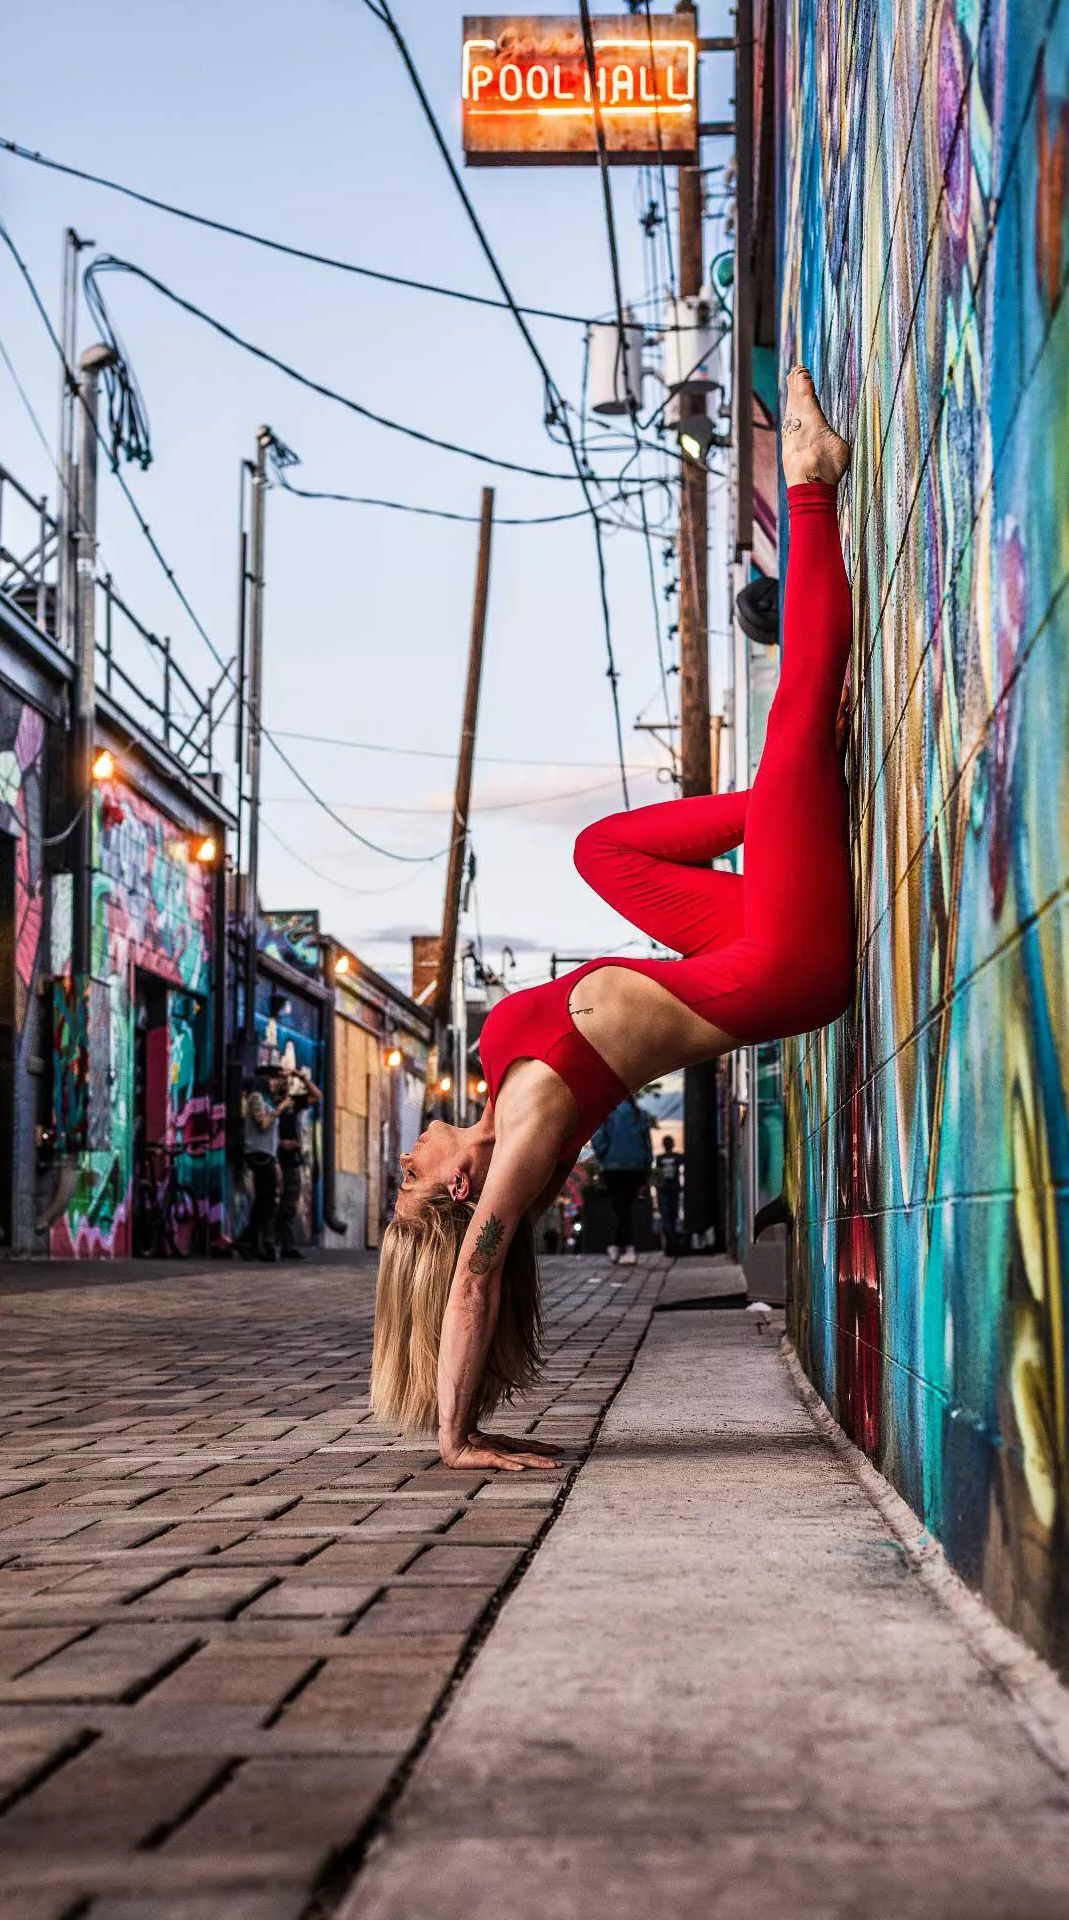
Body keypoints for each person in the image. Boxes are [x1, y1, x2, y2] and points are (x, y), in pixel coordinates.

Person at [372, 369, 854, 1475]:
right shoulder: (525, 1140)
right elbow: (476, 1276)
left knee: (605, 848)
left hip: (730, 947)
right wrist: (457, 1439)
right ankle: (813, 482)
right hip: (781, 962)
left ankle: (798, 787)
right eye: (410, 1179)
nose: (407, 1153)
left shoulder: (502, 1087)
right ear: (456, 1192)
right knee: (794, 709)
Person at [591, 1097, 653, 1266]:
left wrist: (604, 1155)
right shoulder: (640, 1114)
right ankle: (620, 1247)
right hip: (636, 1168)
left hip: (613, 1167)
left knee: (621, 1208)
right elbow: (647, 1145)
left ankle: (626, 1248)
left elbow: (598, 1139)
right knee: (625, 1208)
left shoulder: (608, 1113)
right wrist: (646, 1168)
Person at [273, 1066, 321, 1259]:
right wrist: (280, 1143)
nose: (284, 1083)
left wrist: (301, 1076)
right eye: (280, 1079)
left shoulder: (292, 1102)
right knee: (272, 1203)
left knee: (290, 1202)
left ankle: (287, 1244)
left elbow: (317, 1095)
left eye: (286, 1080)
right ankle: (270, 1243)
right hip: (275, 1157)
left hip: (293, 1159)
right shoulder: (271, 1102)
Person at [241, 1069, 285, 1261]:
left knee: (266, 1201)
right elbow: (263, 1123)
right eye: (272, 1079)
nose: (274, 1083)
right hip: (257, 1154)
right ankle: (248, 1240)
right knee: (264, 1201)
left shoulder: (267, 1100)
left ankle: (252, 1242)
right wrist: (279, 1109)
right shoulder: (256, 1098)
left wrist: (275, 1160)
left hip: (268, 1156)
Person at [653, 1134, 684, 1249]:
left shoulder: (660, 1158)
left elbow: (657, 1174)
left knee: (666, 1215)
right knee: (672, 1213)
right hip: (672, 1188)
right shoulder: (677, 1157)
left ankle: (669, 1238)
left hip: (664, 1189)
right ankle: (672, 1238)